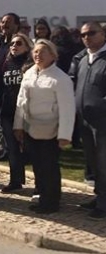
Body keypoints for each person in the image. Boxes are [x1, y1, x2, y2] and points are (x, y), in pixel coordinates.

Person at [14, 39, 75, 214]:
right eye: (35, 52)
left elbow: (67, 108)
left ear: (53, 55)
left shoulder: (60, 78)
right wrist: (18, 125)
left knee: (49, 166)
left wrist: (64, 135)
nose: (38, 55)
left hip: (51, 130)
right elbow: (21, 101)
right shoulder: (29, 73)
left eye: (42, 52)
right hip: (31, 128)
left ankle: (52, 202)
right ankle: (42, 196)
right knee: (38, 166)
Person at [73, 22, 106, 219]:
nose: (86, 37)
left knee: (103, 163)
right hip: (84, 120)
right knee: (93, 162)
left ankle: (104, 204)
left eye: (91, 33)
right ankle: (99, 196)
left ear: (103, 34)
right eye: (83, 34)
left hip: (102, 121)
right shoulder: (83, 59)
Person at [0, 33, 33, 191]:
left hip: (27, 112)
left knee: (31, 148)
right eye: (12, 43)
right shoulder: (5, 63)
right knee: (11, 147)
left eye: (19, 43)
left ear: (27, 46)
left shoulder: (30, 64)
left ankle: (41, 185)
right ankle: (15, 181)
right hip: (8, 111)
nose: (14, 46)